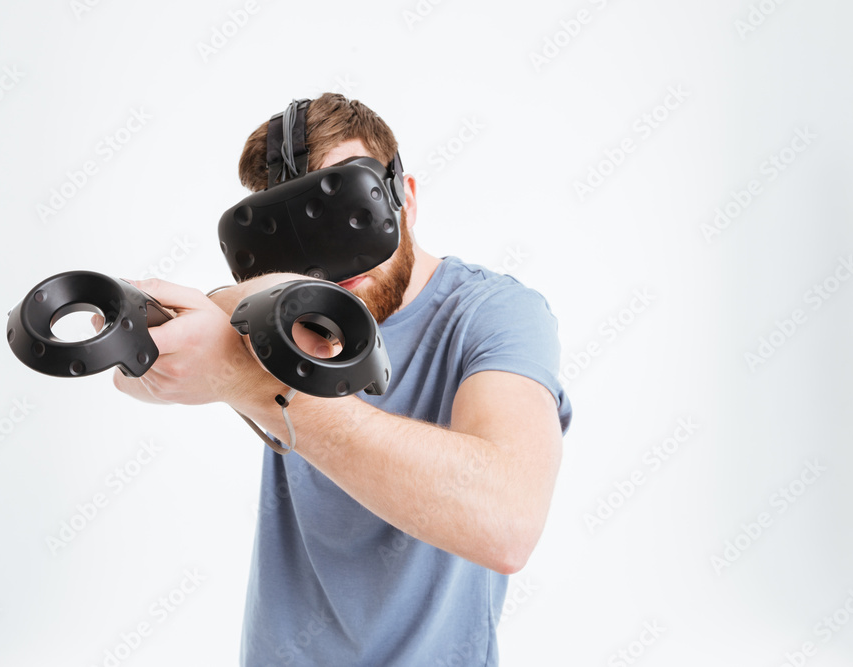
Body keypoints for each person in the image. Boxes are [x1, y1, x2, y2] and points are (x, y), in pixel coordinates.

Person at [112, 93, 573, 666]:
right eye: (302, 233)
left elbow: (506, 523)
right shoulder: (283, 316)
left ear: (402, 195)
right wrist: (144, 340)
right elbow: (155, 362)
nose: (338, 259)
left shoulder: (494, 313)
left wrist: (257, 385)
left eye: (349, 214)